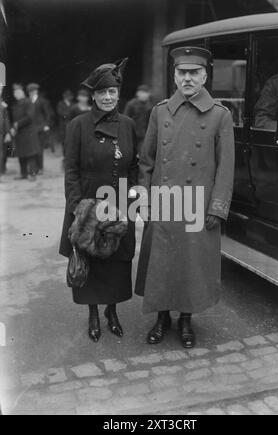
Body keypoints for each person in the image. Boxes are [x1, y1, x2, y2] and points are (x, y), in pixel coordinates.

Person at [135, 47, 235, 349]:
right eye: (182, 73)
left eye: (194, 73)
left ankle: (186, 321)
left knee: (192, 264)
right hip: (165, 200)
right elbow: (146, 162)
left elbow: (226, 167)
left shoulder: (220, 114)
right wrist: (144, 202)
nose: (188, 79)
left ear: (204, 76)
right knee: (163, 262)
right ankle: (162, 317)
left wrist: (217, 207)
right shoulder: (160, 111)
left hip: (198, 203)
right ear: (174, 76)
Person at [59, 59, 138, 343]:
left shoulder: (128, 125)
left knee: (117, 261)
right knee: (90, 259)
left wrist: (133, 201)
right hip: (88, 204)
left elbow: (133, 167)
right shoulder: (78, 125)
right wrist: (77, 205)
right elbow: (71, 170)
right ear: (93, 95)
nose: (107, 97)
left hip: (119, 203)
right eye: (102, 92)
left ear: (119, 94)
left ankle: (112, 312)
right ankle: (93, 313)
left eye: (113, 92)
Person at [10, 84, 39, 181]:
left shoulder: (28, 102)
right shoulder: (16, 104)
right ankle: (23, 174)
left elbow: (30, 117)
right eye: (15, 93)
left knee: (30, 154)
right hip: (20, 134)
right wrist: (14, 127)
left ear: (22, 93)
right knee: (21, 154)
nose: (16, 94)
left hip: (28, 133)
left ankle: (33, 174)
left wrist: (17, 124)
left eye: (18, 92)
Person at [27, 83, 53, 174]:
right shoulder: (27, 101)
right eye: (32, 91)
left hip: (40, 128)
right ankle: (34, 168)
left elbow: (47, 114)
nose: (34, 92)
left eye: (35, 91)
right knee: (31, 149)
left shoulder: (42, 101)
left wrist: (46, 125)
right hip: (30, 129)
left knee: (39, 149)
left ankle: (40, 168)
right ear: (29, 92)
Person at [124, 84, 153, 155]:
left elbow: (151, 121)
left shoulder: (150, 105)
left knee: (143, 153)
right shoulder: (131, 104)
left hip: (144, 134)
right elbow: (125, 118)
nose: (145, 95)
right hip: (132, 134)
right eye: (142, 93)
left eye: (146, 93)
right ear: (138, 93)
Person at [0, 83, 10, 181]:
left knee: (1, 153)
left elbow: (6, 119)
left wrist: (7, 132)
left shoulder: (3, 105)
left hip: (1, 133)